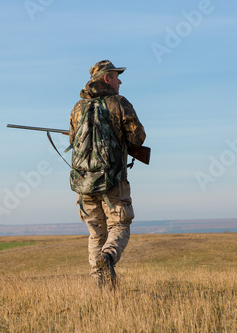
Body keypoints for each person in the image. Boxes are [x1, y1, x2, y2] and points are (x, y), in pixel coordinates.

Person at [69, 60, 146, 287]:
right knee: (120, 226)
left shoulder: (77, 107)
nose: (119, 80)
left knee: (95, 234)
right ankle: (108, 256)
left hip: (84, 182)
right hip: (113, 180)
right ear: (106, 79)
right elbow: (137, 138)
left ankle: (100, 287)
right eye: (115, 76)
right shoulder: (119, 103)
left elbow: (73, 141)